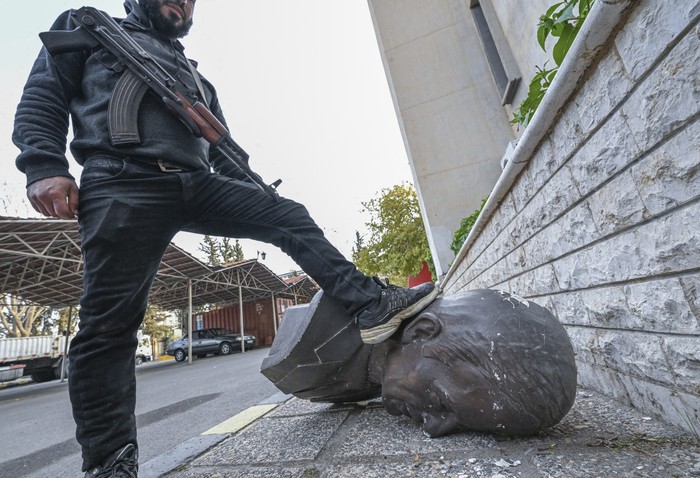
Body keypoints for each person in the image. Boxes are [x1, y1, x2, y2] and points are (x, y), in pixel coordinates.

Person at [12, 1, 438, 476]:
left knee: (287, 216)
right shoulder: (89, 26)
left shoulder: (196, 79)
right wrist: (43, 165)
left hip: (195, 183)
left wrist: (249, 182)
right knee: (108, 328)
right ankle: (110, 463)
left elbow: (224, 150)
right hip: (120, 180)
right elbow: (43, 97)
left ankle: (369, 304)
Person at [262, 289, 577, 438]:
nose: (434, 427)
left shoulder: (371, 379)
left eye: (464, 426)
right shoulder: (307, 347)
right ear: (422, 332)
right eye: (442, 402)